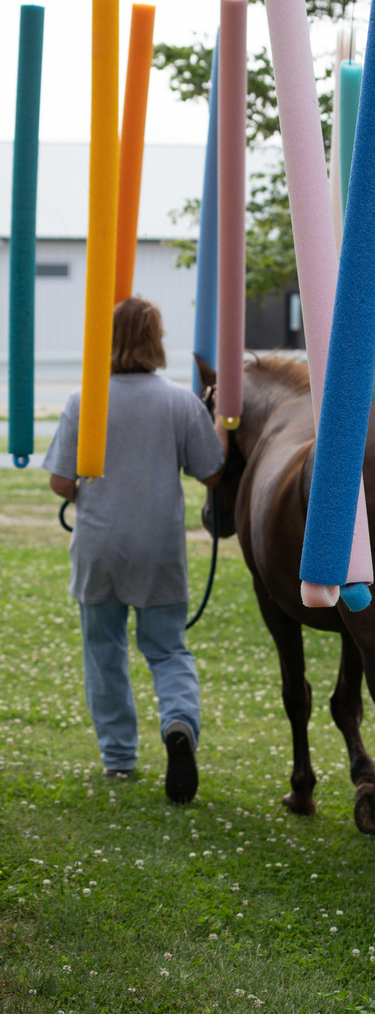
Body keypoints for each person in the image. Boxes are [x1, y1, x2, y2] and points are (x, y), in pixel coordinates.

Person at [44, 297, 228, 804]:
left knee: (103, 652)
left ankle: (119, 756)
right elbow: (211, 472)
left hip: (99, 544)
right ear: (156, 340)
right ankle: (178, 723)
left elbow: (62, 482)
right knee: (167, 649)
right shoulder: (179, 402)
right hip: (158, 547)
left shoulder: (86, 400)